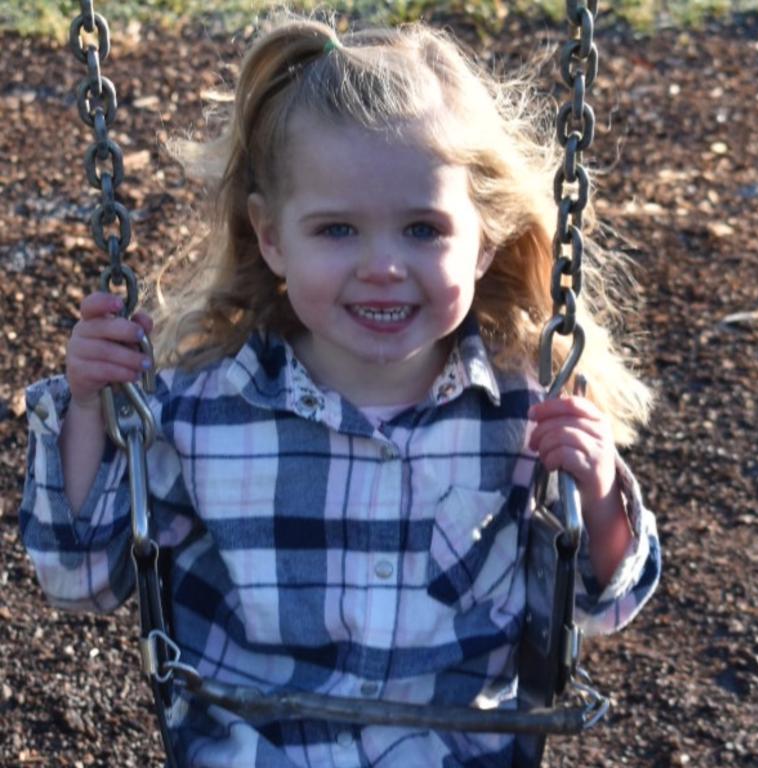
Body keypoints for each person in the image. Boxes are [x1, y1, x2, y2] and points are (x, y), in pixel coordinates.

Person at [20, 14, 661, 767]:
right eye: (337, 231)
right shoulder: (202, 410)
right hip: (257, 748)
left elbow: (602, 605)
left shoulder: (524, 415)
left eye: (423, 230)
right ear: (271, 238)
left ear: (484, 238)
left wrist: (599, 491)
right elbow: (80, 579)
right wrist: (92, 407)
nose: (383, 266)